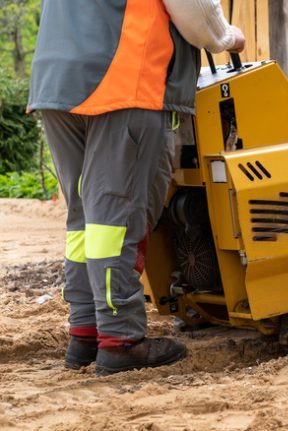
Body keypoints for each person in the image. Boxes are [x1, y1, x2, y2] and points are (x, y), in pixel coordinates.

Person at [27, 0, 245, 375]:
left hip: (56, 82)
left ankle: (88, 332)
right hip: (123, 79)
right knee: (116, 216)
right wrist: (227, 37)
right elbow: (193, 10)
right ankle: (121, 341)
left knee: (86, 219)